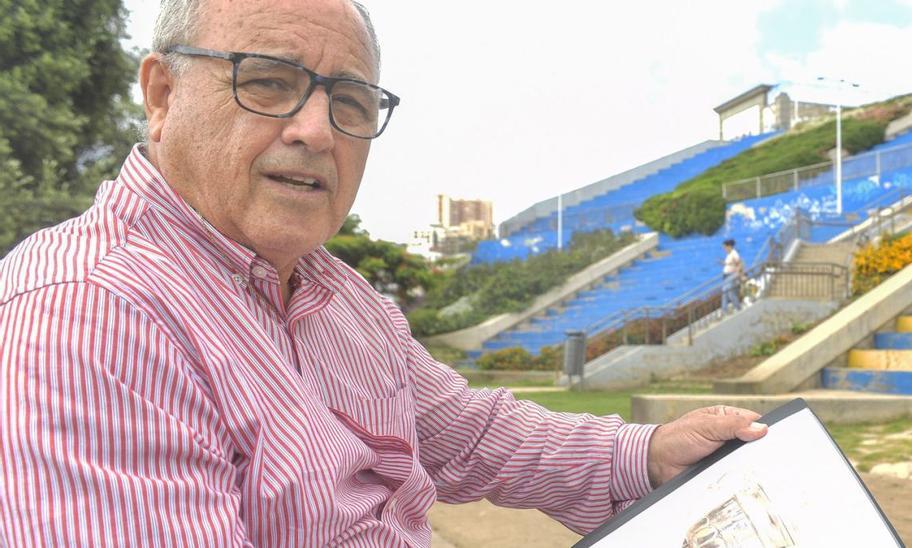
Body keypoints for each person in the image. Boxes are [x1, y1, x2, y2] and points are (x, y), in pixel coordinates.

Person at [0, 1, 766, 545]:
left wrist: (648, 450)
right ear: (163, 96)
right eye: (267, 80)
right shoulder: (88, 315)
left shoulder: (340, 295)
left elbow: (471, 434)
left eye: (351, 102)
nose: (314, 130)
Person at [721, 238, 744, 313]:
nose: (724, 249)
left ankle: (738, 307)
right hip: (726, 275)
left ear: (729, 246)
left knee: (730, 292)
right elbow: (731, 264)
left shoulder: (734, 253)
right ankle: (724, 310)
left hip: (732, 275)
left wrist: (739, 274)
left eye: (725, 247)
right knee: (725, 292)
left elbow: (739, 263)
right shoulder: (729, 254)